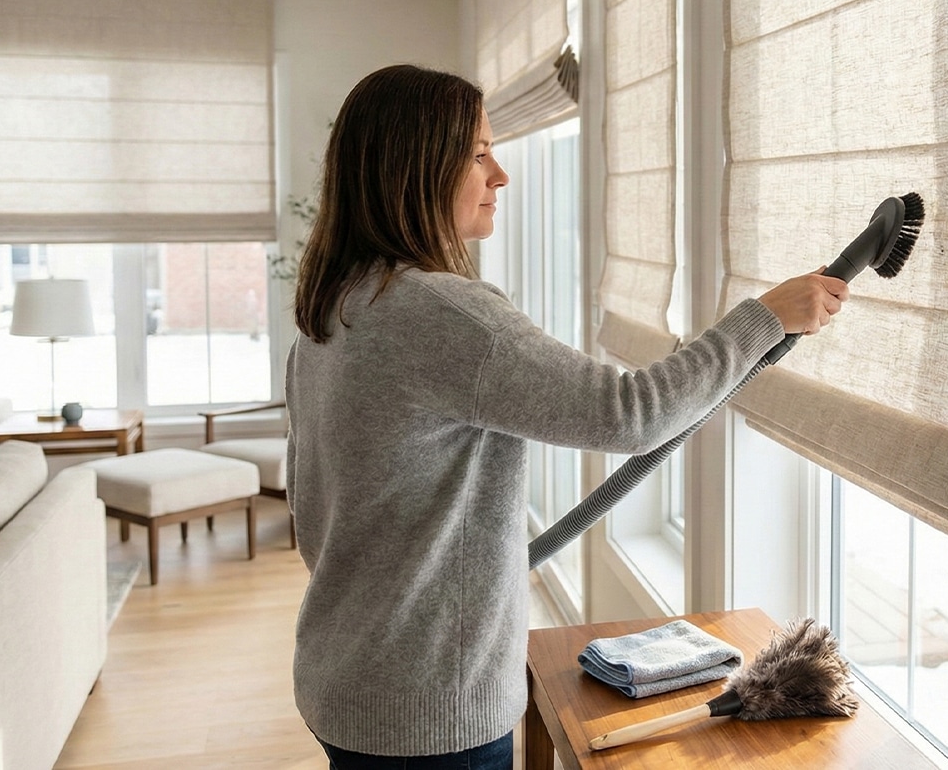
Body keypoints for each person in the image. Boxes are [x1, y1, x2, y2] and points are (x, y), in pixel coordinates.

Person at [286, 64, 847, 768]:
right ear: (416, 168)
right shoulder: (441, 312)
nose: (501, 176)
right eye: (480, 154)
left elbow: (311, 506)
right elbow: (631, 413)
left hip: (347, 675)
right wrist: (765, 318)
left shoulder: (334, 307)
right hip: (426, 709)